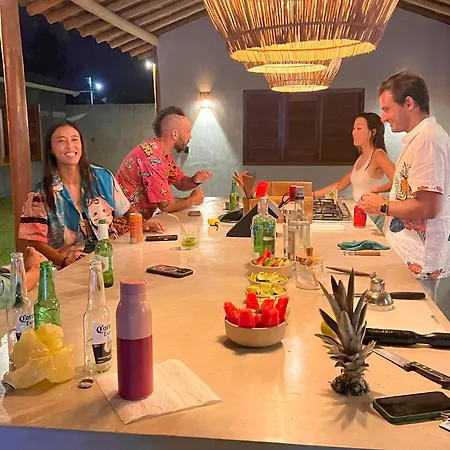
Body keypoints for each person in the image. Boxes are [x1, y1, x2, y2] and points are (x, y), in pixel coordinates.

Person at [18, 121, 163, 269]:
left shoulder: (103, 177)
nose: (70, 146)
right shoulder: (40, 192)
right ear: (51, 149)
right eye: (61, 141)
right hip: (67, 266)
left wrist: (142, 224)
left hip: (111, 256)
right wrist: (63, 261)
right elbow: (34, 241)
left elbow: (126, 209)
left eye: (74, 139)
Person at [360, 71, 450, 302]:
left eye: (387, 109)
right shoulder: (420, 138)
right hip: (407, 256)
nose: (383, 117)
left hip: (418, 260)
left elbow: (428, 207)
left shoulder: (428, 140)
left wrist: (382, 206)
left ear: (408, 104)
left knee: (413, 320)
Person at [116, 106, 213, 219]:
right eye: (188, 131)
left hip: (139, 221)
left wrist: (195, 180)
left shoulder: (162, 153)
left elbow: (181, 182)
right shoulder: (153, 158)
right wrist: (191, 200)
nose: (190, 136)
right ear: (175, 134)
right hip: (124, 224)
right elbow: (166, 205)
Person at [313, 112, 395, 230]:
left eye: (359, 128)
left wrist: (376, 190)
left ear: (372, 132)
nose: (354, 132)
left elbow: (398, 180)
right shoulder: (361, 158)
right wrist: (312, 194)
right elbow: (339, 185)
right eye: (354, 128)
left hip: (373, 216)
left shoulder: (378, 155)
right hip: (360, 212)